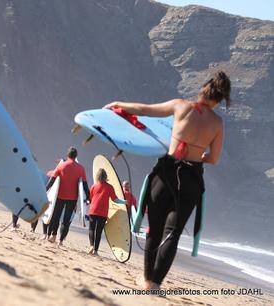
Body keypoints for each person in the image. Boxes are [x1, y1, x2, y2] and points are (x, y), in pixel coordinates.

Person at [103, 71, 230, 290]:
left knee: (155, 227)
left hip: (165, 174)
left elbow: (144, 109)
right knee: (173, 233)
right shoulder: (217, 123)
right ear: (220, 100)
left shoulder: (181, 106)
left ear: (203, 90)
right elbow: (214, 159)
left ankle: (145, 279)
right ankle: (156, 284)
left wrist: (117, 104)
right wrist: (198, 155)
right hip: (191, 181)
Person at [46, 147, 90, 246]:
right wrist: (88, 197)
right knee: (66, 220)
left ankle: (53, 235)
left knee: (55, 217)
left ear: (67, 155)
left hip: (60, 196)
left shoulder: (61, 166)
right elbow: (84, 185)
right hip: (72, 198)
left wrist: (45, 191)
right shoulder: (81, 168)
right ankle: (61, 240)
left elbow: (52, 181)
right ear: (76, 156)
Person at [88, 169, 125, 256]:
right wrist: (124, 202)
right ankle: (96, 250)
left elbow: (90, 198)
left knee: (91, 229)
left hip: (93, 210)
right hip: (103, 212)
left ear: (97, 176)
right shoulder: (109, 187)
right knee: (99, 231)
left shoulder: (93, 186)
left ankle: (91, 246)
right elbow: (115, 200)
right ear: (106, 177)